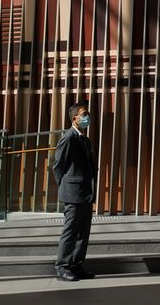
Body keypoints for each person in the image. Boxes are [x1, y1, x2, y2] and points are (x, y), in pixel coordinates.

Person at [52, 102, 98, 281]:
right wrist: (65, 186)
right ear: (74, 118)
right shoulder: (68, 137)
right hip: (73, 193)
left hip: (86, 193)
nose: (88, 118)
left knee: (83, 233)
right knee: (70, 232)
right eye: (84, 114)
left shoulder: (84, 139)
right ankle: (62, 266)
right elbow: (58, 166)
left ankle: (76, 265)